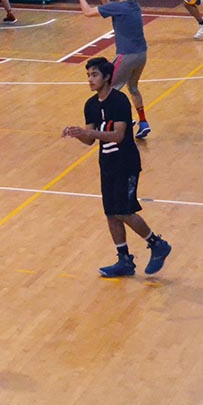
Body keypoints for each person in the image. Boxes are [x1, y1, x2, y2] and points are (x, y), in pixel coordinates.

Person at [62, 57, 172, 278]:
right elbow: (89, 140)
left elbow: (119, 136)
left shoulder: (120, 101)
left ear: (107, 77)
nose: (90, 80)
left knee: (124, 210)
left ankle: (157, 244)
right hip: (107, 164)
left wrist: (91, 133)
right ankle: (124, 260)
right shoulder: (90, 105)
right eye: (88, 76)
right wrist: (78, 134)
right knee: (111, 213)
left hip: (126, 163)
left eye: (94, 75)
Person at [72, 0, 152, 139]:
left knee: (107, 89)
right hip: (141, 54)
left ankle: (122, 121)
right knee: (133, 87)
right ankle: (143, 123)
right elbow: (110, 7)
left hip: (126, 55)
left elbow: (87, 12)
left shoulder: (119, 7)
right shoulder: (134, 5)